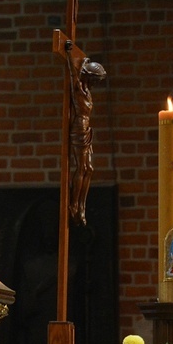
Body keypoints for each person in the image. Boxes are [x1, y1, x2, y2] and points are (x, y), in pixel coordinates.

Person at [67, 54, 106, 226]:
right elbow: (72, 74)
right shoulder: (78, 90)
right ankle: (74, 204)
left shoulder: (87, 92)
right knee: (81, 167)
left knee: (89, 168)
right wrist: (70, 55)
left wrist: (83, 61)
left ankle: (82, 206)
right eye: (95, 80)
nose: (96, 84)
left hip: (87, 128)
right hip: (79, 128)